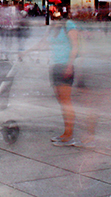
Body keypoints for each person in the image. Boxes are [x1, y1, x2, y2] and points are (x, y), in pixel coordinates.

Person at [21, 10, 80, 146]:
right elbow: (43, 44)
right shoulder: (53, 27)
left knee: (66, 101)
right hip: (55, 67)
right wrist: (26, 52)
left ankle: (69, 135)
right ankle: (66, 133)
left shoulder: (69, 25)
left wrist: (70, 65)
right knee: (61, 101)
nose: (53, 15)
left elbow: (75, 46)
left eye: (56, 12)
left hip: (65, 65)